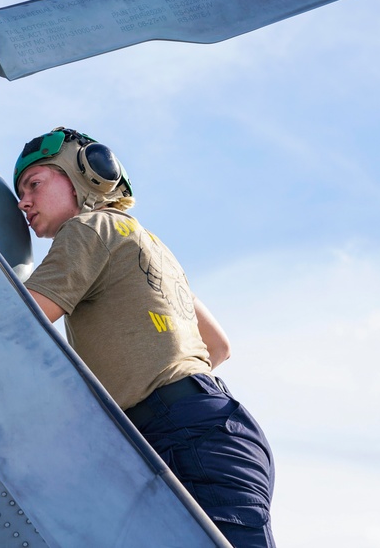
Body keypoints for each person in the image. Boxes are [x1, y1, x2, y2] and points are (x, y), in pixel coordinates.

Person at [14, 127, 276, 548]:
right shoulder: (144, 240)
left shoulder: (87, 228)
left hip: (182, 437)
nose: (23, 202)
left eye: (35, 183)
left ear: (86, 174)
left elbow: (18, 323)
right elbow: (219, 346)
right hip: (214, 428)